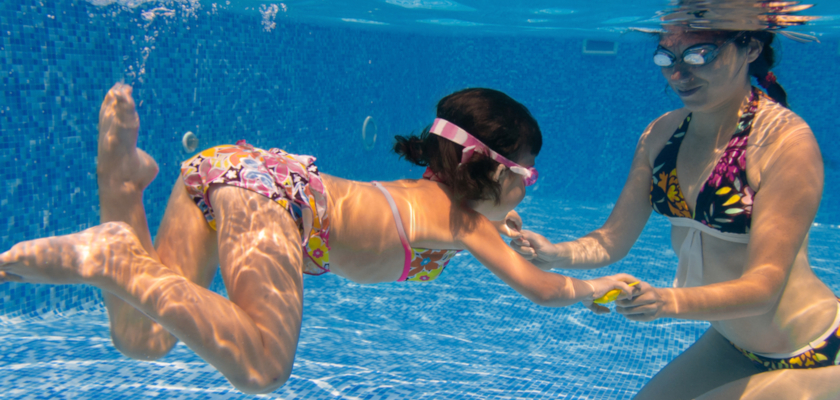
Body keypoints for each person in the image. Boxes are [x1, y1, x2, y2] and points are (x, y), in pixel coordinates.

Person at [0, 84, 635, 394]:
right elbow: (545, 291)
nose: (528, 190)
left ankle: (122, 184)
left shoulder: (441, 200)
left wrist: (504, 219)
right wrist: (597, 285)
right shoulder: (464, 222)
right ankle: (110, 258)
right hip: (276, 199)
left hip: (230, 171)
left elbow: (445, 218)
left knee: (143, 338)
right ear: (490, 168)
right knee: (262, 364)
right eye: (525, 176)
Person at [512, 22, 840, 400]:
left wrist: (667, 301)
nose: (680, 74)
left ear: (750, 48)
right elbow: (611, 240)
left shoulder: (783, 141)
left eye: (701, 54)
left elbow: (763, 287)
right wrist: (554, 253)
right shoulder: (662, 135)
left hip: (815, 351)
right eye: (666, 58)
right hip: (733, 345)